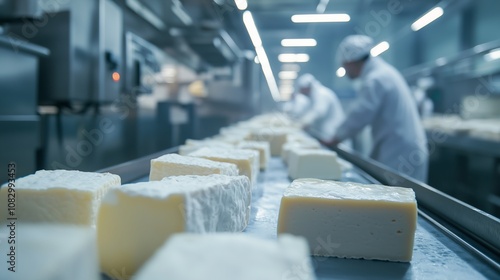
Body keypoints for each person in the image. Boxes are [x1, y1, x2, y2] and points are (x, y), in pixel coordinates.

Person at [326, 35, 428, 182]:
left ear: (352, 62)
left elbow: (360, 114)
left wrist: (335, 137)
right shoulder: (383, 72)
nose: (345, 71)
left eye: (344, 66)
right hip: (400, 145)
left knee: (397, 199)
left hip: (400, 150)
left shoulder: (376, 78)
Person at [286, 73, 346, 143]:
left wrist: (304, 122)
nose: (301, 92)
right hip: (324, 133)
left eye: (302, 89)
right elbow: (306, 111)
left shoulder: (322, 94)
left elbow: (318, 111)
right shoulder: (311, 97)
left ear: (307, 87)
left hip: (333, 132)